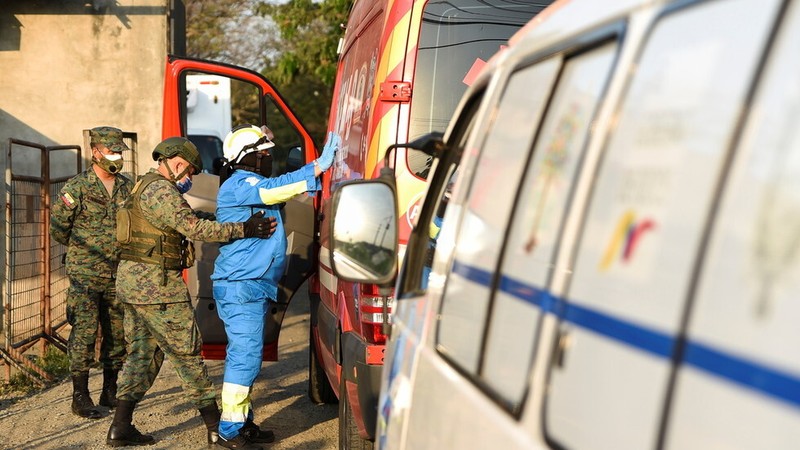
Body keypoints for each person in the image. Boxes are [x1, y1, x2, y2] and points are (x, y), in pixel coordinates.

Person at [106, 136, 278, 447]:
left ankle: (120, 426)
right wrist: (245, 228)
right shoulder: (162, 190)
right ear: (178, 164)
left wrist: (221, 219)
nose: (189, 180)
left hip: (133, 286)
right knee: (187, 355)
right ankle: (217, 428)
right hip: (158, 288)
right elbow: (194, 229)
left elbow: (185, 222)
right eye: (190, 174)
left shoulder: (141, 186)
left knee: (142, 356)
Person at [210, 125, 339, 449]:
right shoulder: (241, 185)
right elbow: (275, 190)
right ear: (249, 158)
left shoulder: (248, 184)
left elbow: (276, 190)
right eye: (265, 154)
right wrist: (317, 167)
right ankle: (230, 428)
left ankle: (244, 421)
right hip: (242, 286)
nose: (269, 158)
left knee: (245, 355)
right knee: (245, 357)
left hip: (250, 286)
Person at [50, 126, 132, 419]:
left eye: (119, 151)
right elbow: (59, 229)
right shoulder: (77, 188)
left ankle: (110, 389)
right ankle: (80, 395)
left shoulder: (126, 186)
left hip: (118, 273)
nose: (117, 156)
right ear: (96, 152)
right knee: (84, 332)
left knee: (116, 332)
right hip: (85, 274)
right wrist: (84, 251)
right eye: (111, 151)